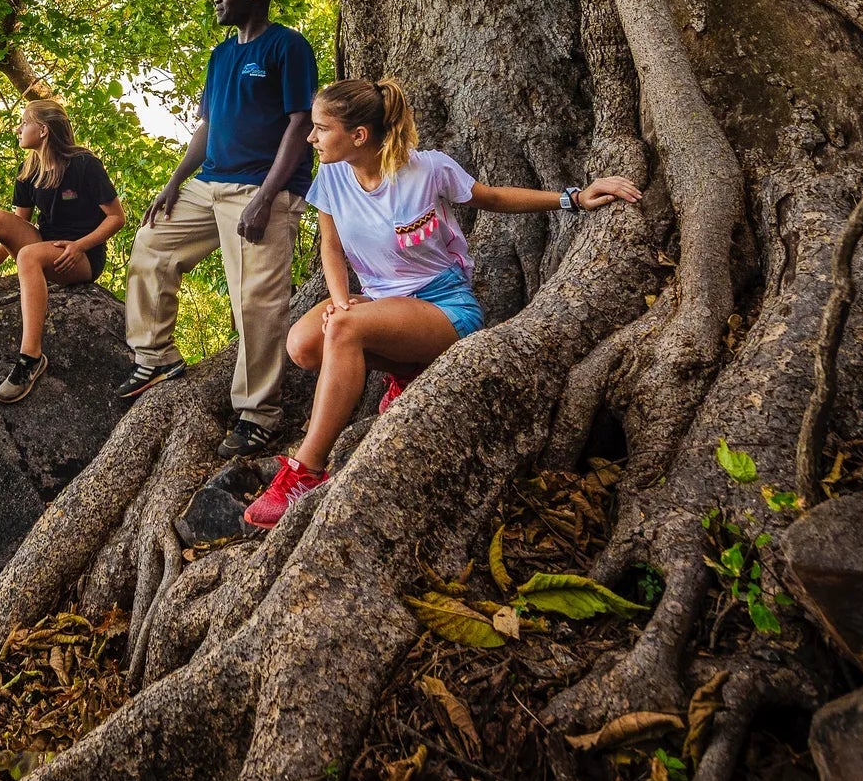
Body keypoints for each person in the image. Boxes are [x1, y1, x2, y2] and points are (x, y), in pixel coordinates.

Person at [241, 77, 643, 528]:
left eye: (320, 128)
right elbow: (330, 248)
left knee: (343, 330)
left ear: (359, 135)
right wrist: (340, 301)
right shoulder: (333, 175)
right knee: (303, 344)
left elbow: (491, 197)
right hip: (379, 304)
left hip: (443, 306)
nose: (310, 137)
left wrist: (572, 198)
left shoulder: (428, 169)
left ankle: (306, 472)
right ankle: (407, 370)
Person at [120, 0, 319, 459]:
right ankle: (156, 354)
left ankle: (259, 415)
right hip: (208, 185)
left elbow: (301, 124)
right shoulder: (220, 55)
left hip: (259, 193)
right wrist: (173, 182)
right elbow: (206, 127)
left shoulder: (287, 46)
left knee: (255, 300)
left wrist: (267, 196)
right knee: (151, 245)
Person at [0, 98, 126, 404]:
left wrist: (80, 245)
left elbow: (116, 217)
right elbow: (17, 227)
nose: (18, 128)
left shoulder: (84, 165)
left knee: (29, 256)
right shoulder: (28, 171)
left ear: (42, 130)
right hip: (44, 246)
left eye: (24, 122)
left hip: (81, 257)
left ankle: (30, 359)